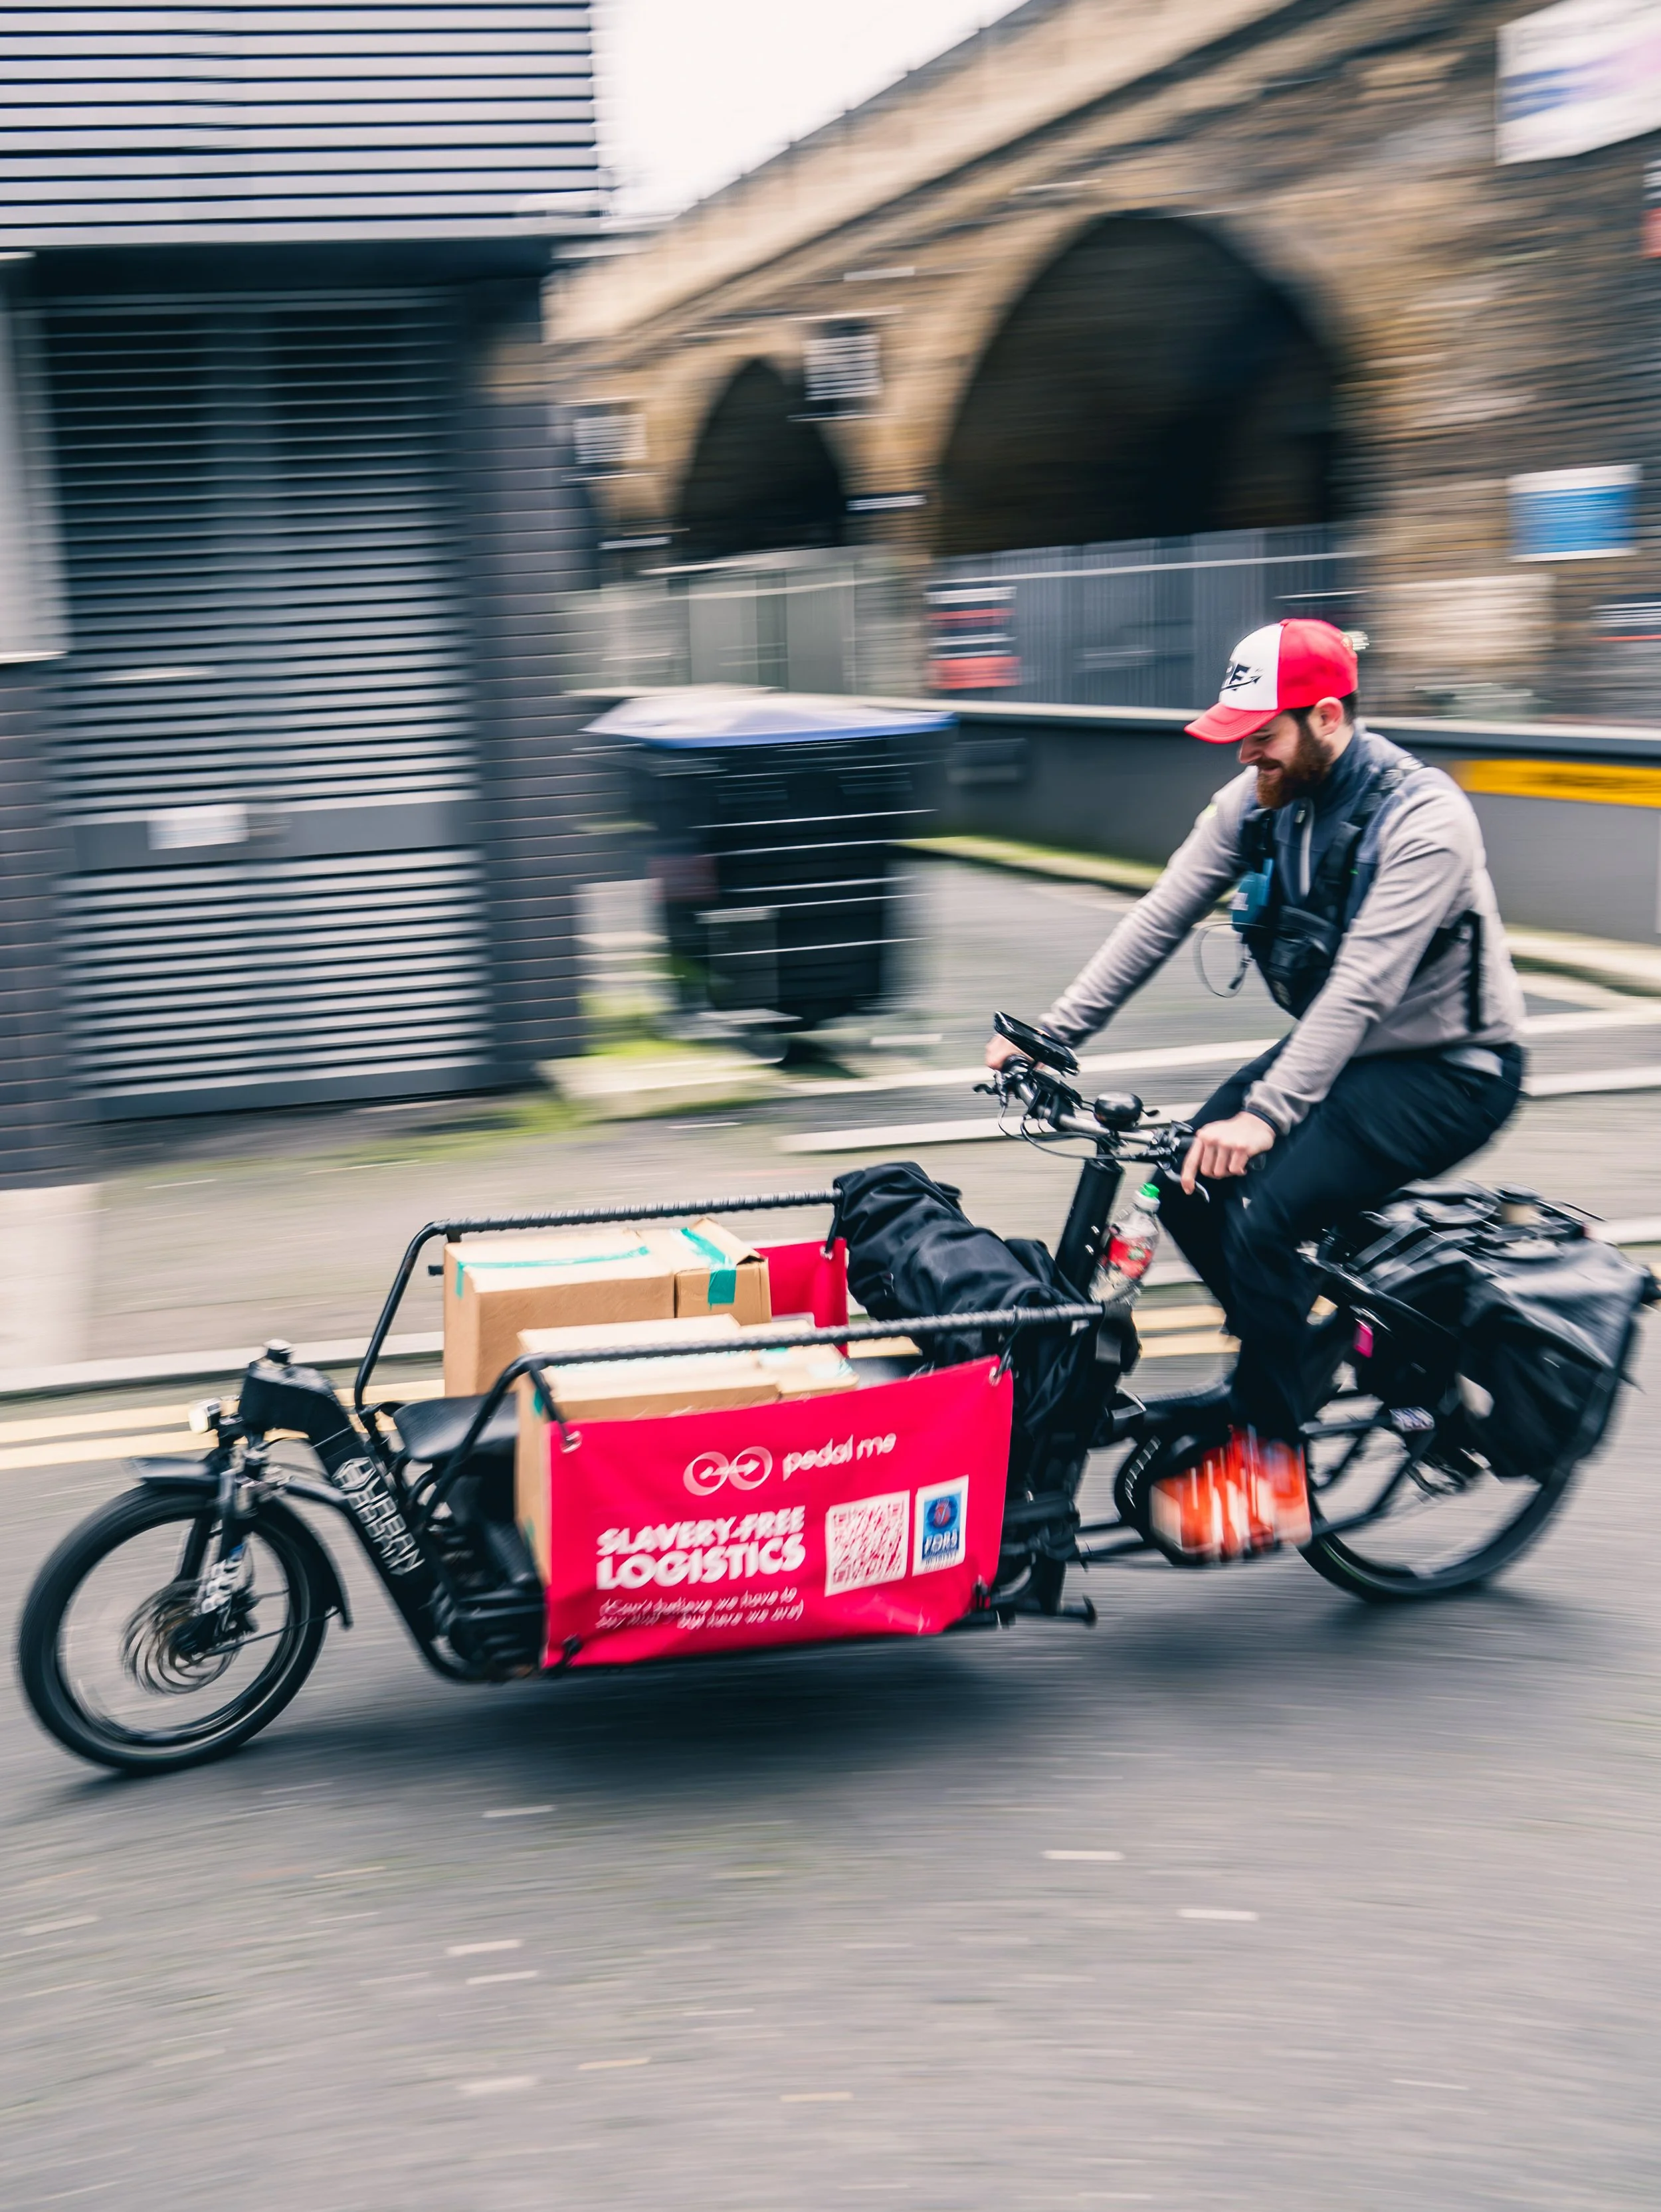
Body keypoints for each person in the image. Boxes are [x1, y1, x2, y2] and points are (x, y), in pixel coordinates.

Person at [985, 618, 1527, 1559]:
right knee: (1183, 1173)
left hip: (1452, 1069)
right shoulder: (1264, 795)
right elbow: (1161, 913)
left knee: (1265, 1215)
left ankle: (1274, 1477)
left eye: (1262, 731)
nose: (1245, 751)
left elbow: (1361, 987)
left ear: (1327, 716)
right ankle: (1287, 1360)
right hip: (1349, 1056)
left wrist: (1264, 1114)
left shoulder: (1425, 819)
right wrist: (1050, 1036)